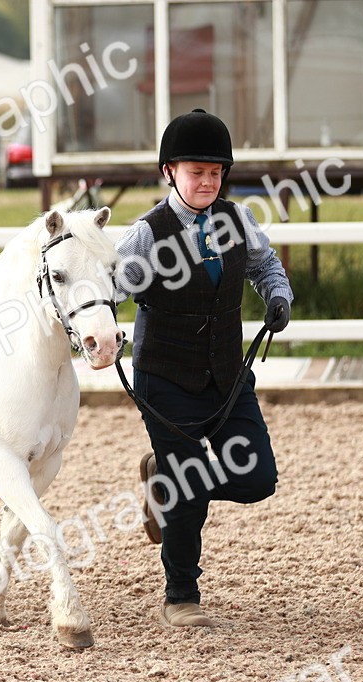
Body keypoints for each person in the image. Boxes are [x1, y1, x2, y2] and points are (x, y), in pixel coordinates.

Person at [114, 108, 293, 628]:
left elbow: (264, 266)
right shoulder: (146, 233)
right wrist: (101, 335)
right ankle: (181, 597)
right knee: (189, 490)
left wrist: (278, 297)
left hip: (226, 374)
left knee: (258, 477)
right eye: (197, 173)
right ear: (170, 171)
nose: (208, 182)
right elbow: (109, 291)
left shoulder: (239, 220)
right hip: (165, 378)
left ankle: (163, 482)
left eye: (216, 173)